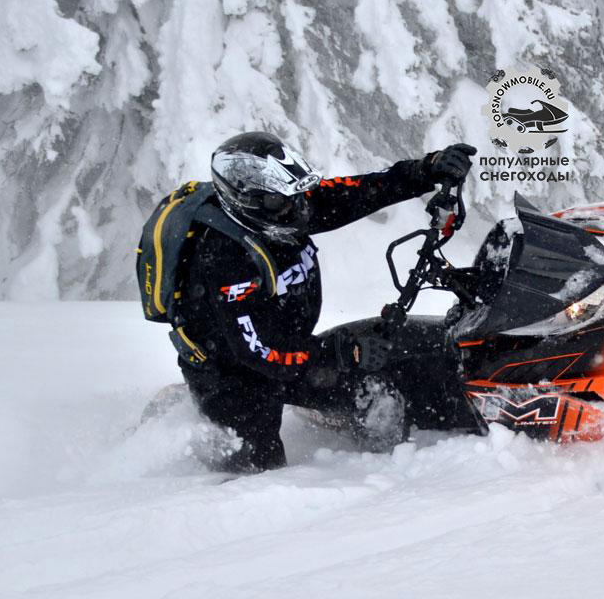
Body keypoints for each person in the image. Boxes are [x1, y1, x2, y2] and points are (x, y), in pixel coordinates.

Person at [168, 131, 475, 472]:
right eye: (282, 200)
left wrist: (423, 171)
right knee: (256, 475)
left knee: (379, 380)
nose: (300, 206)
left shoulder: (284, 209)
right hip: (235, 375)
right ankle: (191, 424)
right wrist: (340, 353)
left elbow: (354, 193)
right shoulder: (225, 259)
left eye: (296, 194)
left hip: (295, 351)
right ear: (248, 199)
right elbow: (258, 351)